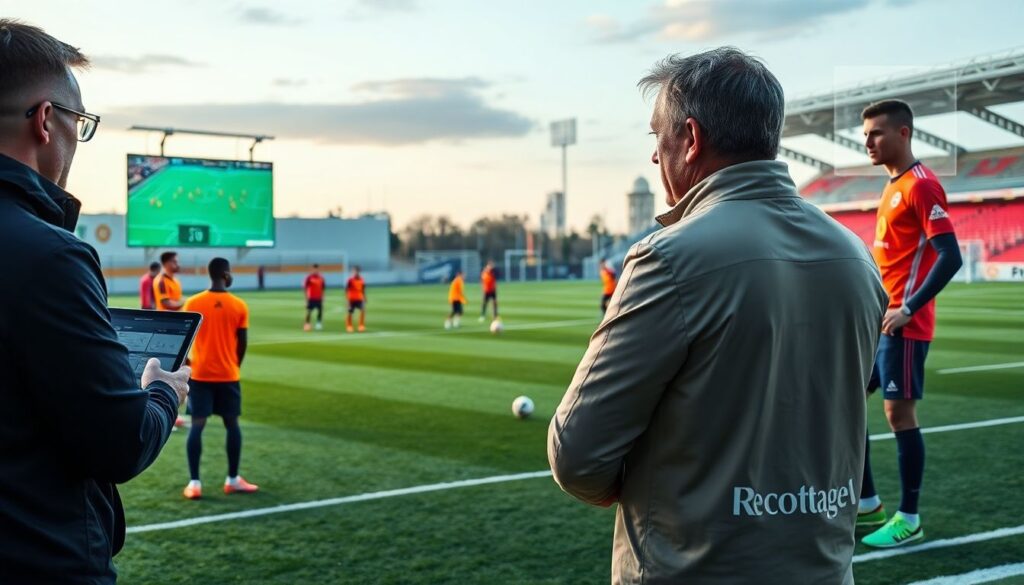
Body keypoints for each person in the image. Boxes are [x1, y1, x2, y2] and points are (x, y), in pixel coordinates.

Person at [547, 47, 887, 584]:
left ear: (690, 137)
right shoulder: (855, 257)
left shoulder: (668, 258)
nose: (656, 159)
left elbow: (577, 455)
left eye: (656, 139)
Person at [0, 19, 190, 582]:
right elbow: (117, 445)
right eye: (78, 124)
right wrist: (160, 392)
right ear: (45, 119)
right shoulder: (50, 255)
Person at [857, 100, 962, 548]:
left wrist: (909, 308)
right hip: (882, 321)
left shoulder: (921, 186)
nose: (867, 142)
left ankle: (909, 517)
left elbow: (950, 256)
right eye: (865, 135)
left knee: (899, 415)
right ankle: (866, 504)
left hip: (905, 324)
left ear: (903, 134)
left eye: (876, 133)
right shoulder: (892, 186)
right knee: (847, 394)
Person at [181, 258, 258, 499]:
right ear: (225, 274)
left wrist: (188, 364)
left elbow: (186, 341)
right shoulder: (238, 305)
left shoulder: (193, 303)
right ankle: (232, 479)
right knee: (232, 424)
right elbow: (242, 343)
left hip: (200, 374)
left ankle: (194, 483)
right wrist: (234, 365)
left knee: (197, 426)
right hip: (228, 375)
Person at [304, 263, 326, 331]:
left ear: (318, 269)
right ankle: (307, 324)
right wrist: (306, 298)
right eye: (314, 269)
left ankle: (318, 324)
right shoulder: (309, 277)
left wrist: (323, 296)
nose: (315, 270)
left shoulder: (321, 278)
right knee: (309, 311)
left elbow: (323, 288)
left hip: (319, 298)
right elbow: (305, 288)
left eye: (316, 269)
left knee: (320, 311)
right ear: (312, 269)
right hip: (311, 298)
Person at [345, 265, 367, 332]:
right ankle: (349, 326)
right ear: (352, 272)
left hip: (359, 298)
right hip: (351, 299)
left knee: (363, 310)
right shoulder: (350, 280)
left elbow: (363, 289)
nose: (355, 272)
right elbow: (347, 290)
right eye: (354, 271)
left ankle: (361, 325)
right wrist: (347, 300)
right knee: (350, 312)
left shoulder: (362, 280)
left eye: (357, 271)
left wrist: (365, 297)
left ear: (359, 272)